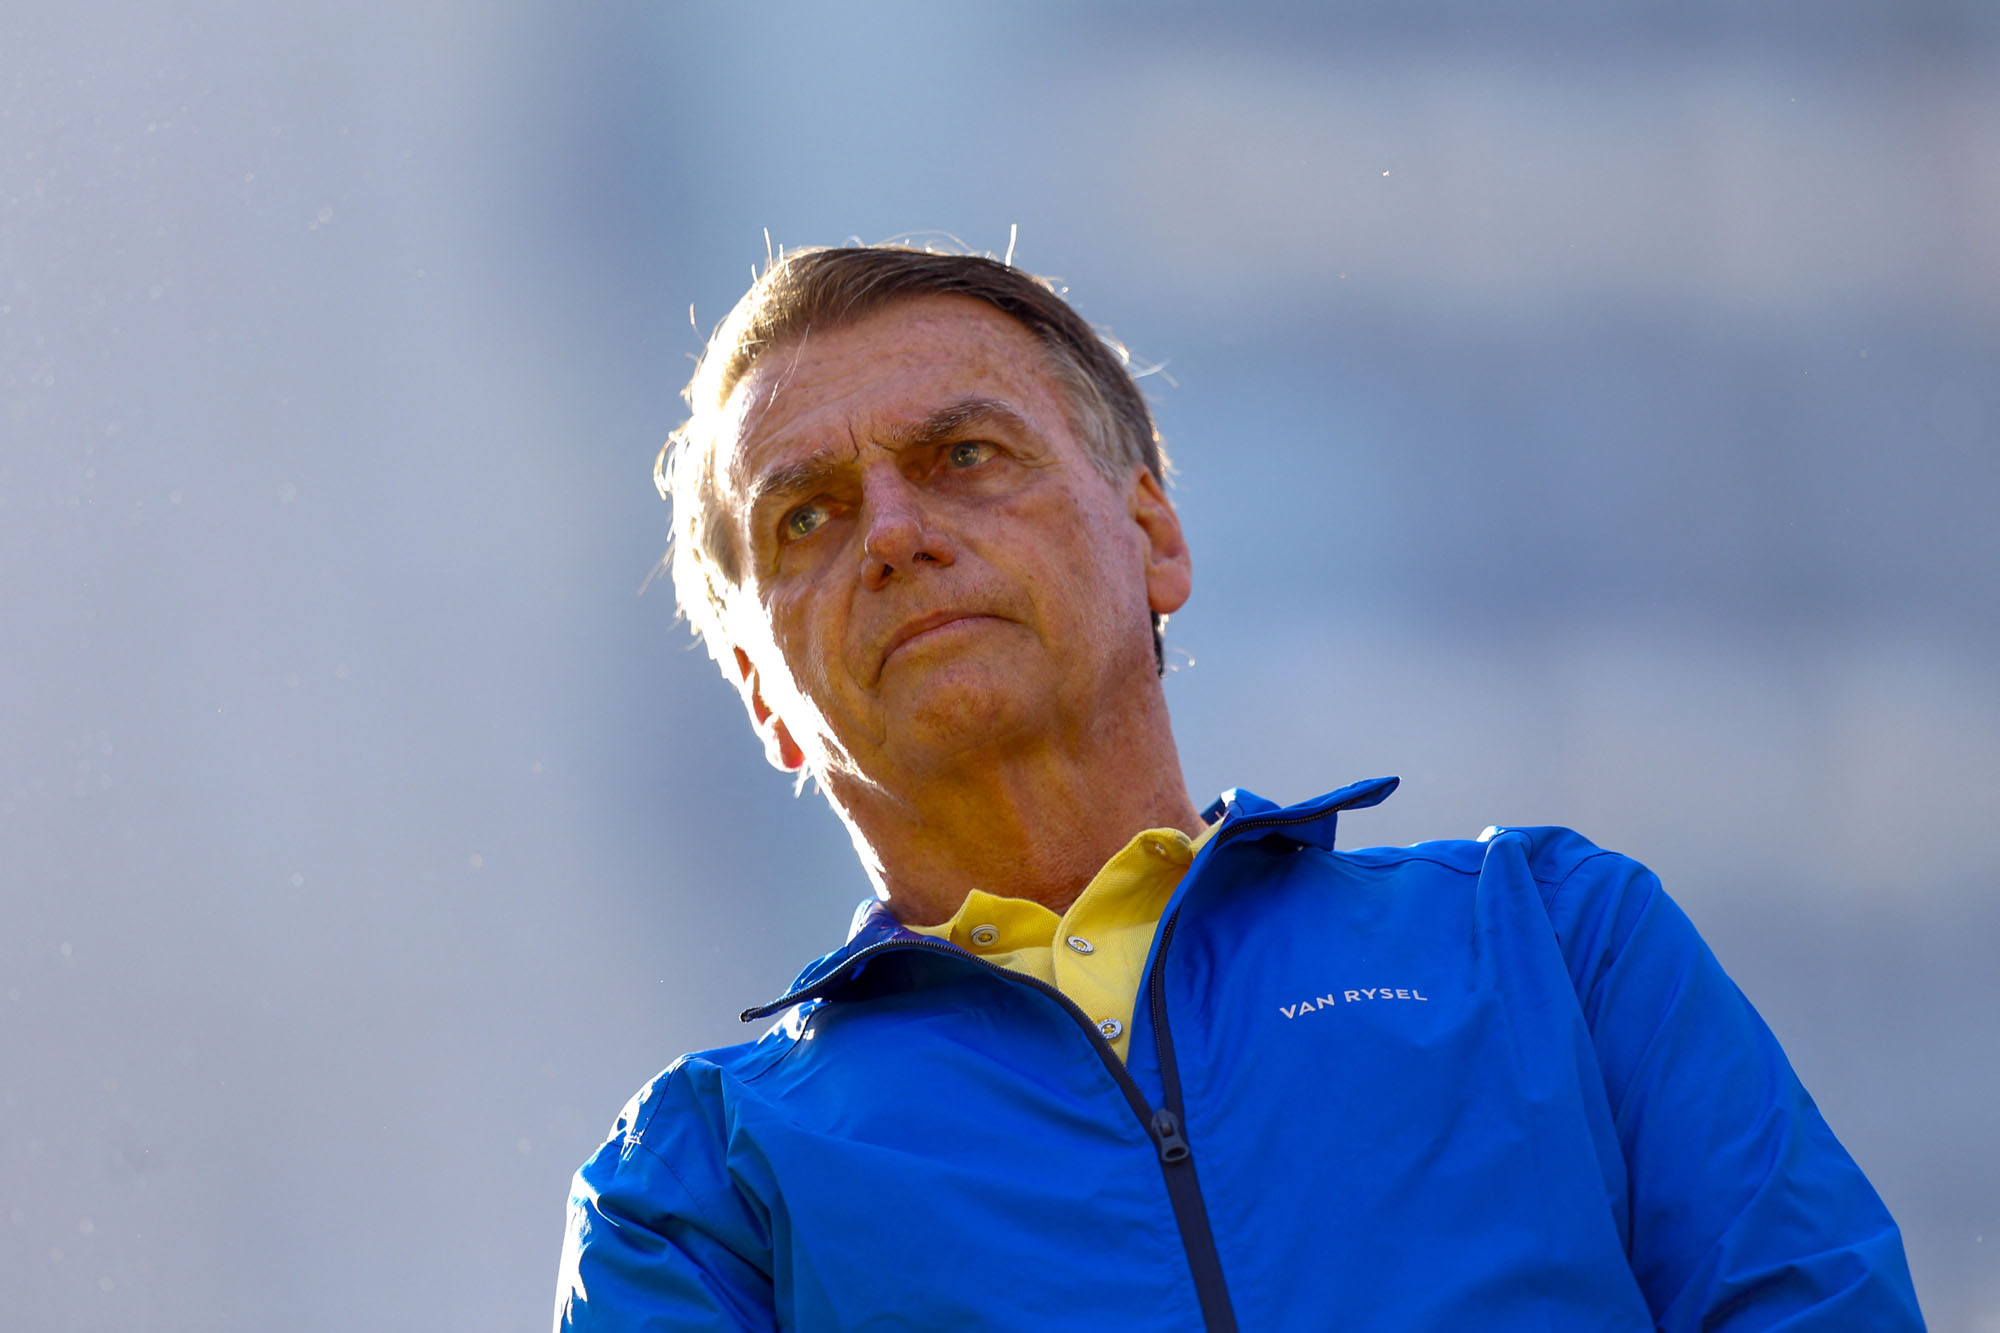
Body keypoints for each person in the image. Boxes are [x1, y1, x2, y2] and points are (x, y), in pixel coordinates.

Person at [554, 244, 1923, 1331]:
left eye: (963, 457)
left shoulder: (1556, 942)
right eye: (806, 516)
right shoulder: (698, 1195)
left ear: (1153, 533)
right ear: (762, 693)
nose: (896, 534)